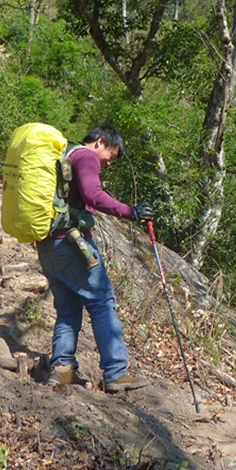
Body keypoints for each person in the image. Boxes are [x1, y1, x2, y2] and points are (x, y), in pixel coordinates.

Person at [37, 125, 153, 392]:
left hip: (47, 243)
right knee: (102, 302)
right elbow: (93, 194)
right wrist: (130, 212)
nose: (109, 162)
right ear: (100, 142)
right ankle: (115, 373)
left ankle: (62, 372)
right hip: (72, 244)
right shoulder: (86, 156)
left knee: (68, 308)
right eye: (111, 155)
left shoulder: (64, 154)